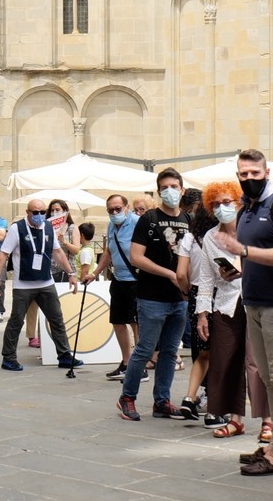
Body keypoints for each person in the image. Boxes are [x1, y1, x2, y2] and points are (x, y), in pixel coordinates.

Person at [214, 149, 273, 476]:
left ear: (267, 172)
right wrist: (237, 269)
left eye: (254, 173)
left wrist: (246, 251)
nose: (249, 179)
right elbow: (254, 256)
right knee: (268, 378)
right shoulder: (247, 209)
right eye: (243, 174)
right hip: (252, 301)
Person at [116, 167, 191, 422]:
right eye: (165, 188)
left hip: (179, 299)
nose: (170, 191)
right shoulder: (149, 219)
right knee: (145, 349)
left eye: (174, 187)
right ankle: (128, 397)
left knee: (170, 352)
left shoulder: (188, 220)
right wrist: (170, 274)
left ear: (182, 189)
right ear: (159, 191)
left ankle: (162, 401)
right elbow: (137, 257)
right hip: (152, 297)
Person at [189, 182, 250, 436]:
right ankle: (233, 417)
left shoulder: (251, 230)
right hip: (225, 303)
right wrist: (202, 314)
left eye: (227, 202)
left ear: (238, 202)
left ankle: (268, 419)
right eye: (216, 204)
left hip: (255, 299)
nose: (222, 208)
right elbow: (205, 279)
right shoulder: (211, 238)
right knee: (225, 360)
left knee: (259, 364)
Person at [0, 199, 82, 371]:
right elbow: (4, 253)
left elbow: (57, 252)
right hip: (23, 284)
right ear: (28, 212)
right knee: (16, 320)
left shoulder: (49, 227)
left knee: (56, 319)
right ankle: (8, 358)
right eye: (35, 212)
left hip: (46, 282)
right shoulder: (16, 228)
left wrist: (71, 273)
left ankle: (64, 356)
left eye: (42, 212)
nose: (39, 215)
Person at [84, 195, 139, 380]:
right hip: (118, 279)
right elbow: (108, 251)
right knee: (117, 321)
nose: (115, 213)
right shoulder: (111, 225)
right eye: (111, 210)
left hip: (136, 280)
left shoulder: (138, 223)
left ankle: (140, 367)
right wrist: (96, 272)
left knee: (136, 322)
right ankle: (126, 362)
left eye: (118, 209)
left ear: (126, 207)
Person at [174, 201, 215, 422]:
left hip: (196, 294)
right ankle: (213, 404)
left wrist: (186, 292)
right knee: (221, 352)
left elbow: (181, 273)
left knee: (201, 351)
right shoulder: (220, 236)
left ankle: (190, 397)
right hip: (220, 293)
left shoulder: (189, 238)